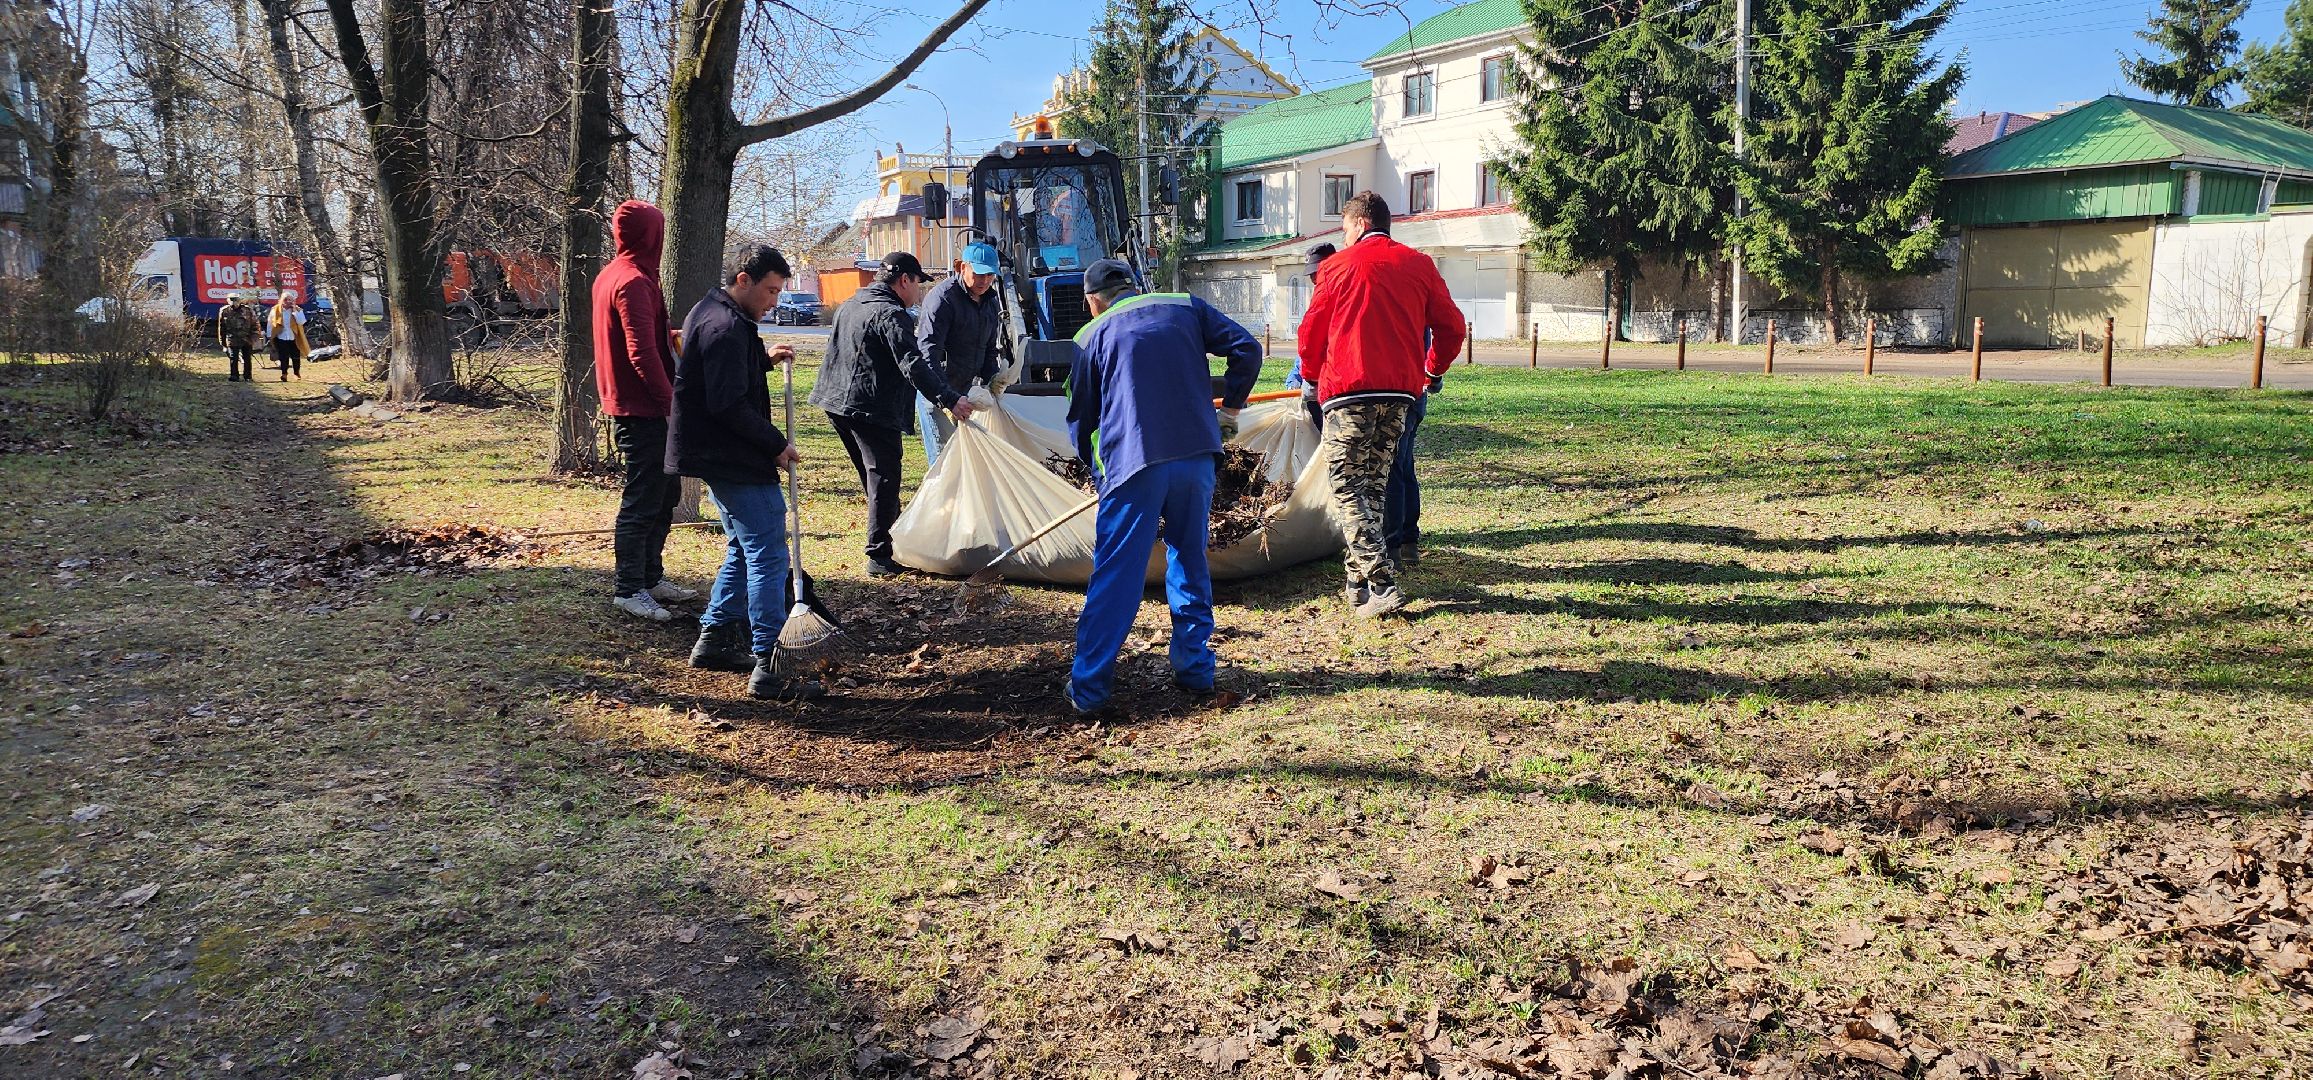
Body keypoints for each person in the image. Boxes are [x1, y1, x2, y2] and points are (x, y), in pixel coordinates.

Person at [1063, 258, 1262, 716]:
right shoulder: (1184, 305)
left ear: (1093, 300)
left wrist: (1099, 473)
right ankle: (1195, 669)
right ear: (1134, 287)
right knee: (1188, 556)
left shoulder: (1091, 335)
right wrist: (1230, 410)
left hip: (1135, 464)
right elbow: (1247, 349)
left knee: (1117, 574)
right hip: (1197, 457)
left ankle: (1089, 689)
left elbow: (1081, 418)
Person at [1295, 191, 1466, 618]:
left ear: (1358, 224)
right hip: (1400, 396)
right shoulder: (1419, 265)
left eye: (1344, 229)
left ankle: (1381, 583)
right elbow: (1452, 327)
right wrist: (1431, 371)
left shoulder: (1336, 267)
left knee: (1347, 488)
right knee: (1373, 485)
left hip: (1348, 392)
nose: (1344, 237)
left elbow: (1312, 331)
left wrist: (1311, 378)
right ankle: (1356, 584)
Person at [666, 244, 822, 701]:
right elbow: (728, 404)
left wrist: (761, 360)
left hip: (718, 454)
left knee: (744, 546)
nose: (774, 301)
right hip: (730, 457)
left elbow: (723, 376)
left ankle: (715, 639)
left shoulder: (717, 312)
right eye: (770, 291)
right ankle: (772, 663)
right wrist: (776, 444)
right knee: (769, 553)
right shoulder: (724, 326)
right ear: (743, 280)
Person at [809, 251, 978, 578]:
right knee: (884, 477)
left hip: (836, 403)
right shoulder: (891, 315)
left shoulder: (851, 304)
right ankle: (880, 556)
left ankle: (889, 538)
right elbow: (913, 364)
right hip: (869, 408)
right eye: (917, 283)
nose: (918, 291)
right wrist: (949, 399)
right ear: (904, 280)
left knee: (874, 478)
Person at [592, 199, 697, 622]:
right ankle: (629, 588)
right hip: (642, 409)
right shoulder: (632, 280)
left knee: (666, 493)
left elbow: (642, 335)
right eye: (659, 231)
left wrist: (671, 335)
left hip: (642, 404)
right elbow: (640, 353)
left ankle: (651, 577)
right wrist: (670, 406)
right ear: (650, 235)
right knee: (644, 497)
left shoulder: (618, 274)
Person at [913, 241, 1004, 462]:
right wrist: (947, 399)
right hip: (936, 390)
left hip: (963, 390)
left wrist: (993, 378)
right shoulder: (942, 299)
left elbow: (989, 348)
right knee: (946, 458)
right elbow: (928, 353)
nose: (985, 281)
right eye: (979, 274)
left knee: (966, 458)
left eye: (990, 275)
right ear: (963, 267)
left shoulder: (990, 302)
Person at [1283, 243, 1337, 433]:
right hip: (1319, 386)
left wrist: (1312, 381)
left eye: (1317, 272)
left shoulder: (1338, 294)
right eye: (1312, 273)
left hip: (1335, 387)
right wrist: (1295, 379)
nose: (1314, 278)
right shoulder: (1320, 295)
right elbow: (1308, 345)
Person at [217, 292, 263, 382]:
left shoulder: (248, 310)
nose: (234, 302)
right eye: (232, 300)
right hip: (232, 338)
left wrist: (254, 337)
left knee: (247, 358)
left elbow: (255, 324)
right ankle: (234, 376)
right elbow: (221, 327)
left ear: (239, 300)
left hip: (246, 338)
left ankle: (247, 376)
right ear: (228, 300)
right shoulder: (224, 311)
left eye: (236, 300)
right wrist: (222, 341)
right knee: (233, 358)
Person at [268, 290, 311, 381]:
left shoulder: (298, 309)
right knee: (283, 357)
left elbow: (301, 322)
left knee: (295, 356)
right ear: (281, 300)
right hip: (281, 336)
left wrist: (295, 311)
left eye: (290, 300)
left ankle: (296, 373)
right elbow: (270, 322)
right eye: (285, 299)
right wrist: (269, 335)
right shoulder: (275, 309)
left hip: (294, 336)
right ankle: (284, 374)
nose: (288, 301)